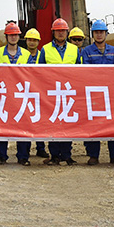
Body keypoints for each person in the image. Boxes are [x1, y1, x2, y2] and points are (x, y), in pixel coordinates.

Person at [79, 19, 114, 166]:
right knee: (94, 124)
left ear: (106, 33)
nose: (99, 35)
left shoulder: (113, 51)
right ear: (93, 34)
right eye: (96, 32)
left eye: (101, 32)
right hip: (94, 94)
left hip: (111, 93)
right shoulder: (86, 51)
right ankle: (94, 155)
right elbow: (86, 72)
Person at [38, 18, 81, 165]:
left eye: (63, 30)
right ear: (53, 32)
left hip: (69, 92)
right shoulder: (45, 49)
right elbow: (39, 72)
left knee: (67, 124)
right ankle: (54, 155)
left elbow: (80, 71)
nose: (60, 33)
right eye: (58, 31)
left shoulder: (74, 50)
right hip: (52, 93)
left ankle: (67, 155)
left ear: (67, 32)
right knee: (54, 124)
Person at [0, 22, 32, 166]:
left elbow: (31, 75)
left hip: (21, 95)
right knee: (2, 127)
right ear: (6, 36)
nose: (13, 37)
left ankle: (23, 156)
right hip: (4, 95)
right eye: (10, 35)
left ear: (19, 36)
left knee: (23, 127)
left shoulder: (26, 54)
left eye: (15, 35)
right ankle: (1, 156)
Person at [22, 27, 49, 160]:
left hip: (40, 92)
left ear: (38, 42)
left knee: (40, 121)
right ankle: (25, 150)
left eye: (34, 40)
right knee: (26, 121)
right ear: (26, 41)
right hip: (25, 92)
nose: (32, 42)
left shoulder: (42, 56)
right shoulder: (22, 55)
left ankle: (41, 148)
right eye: (30, 40)